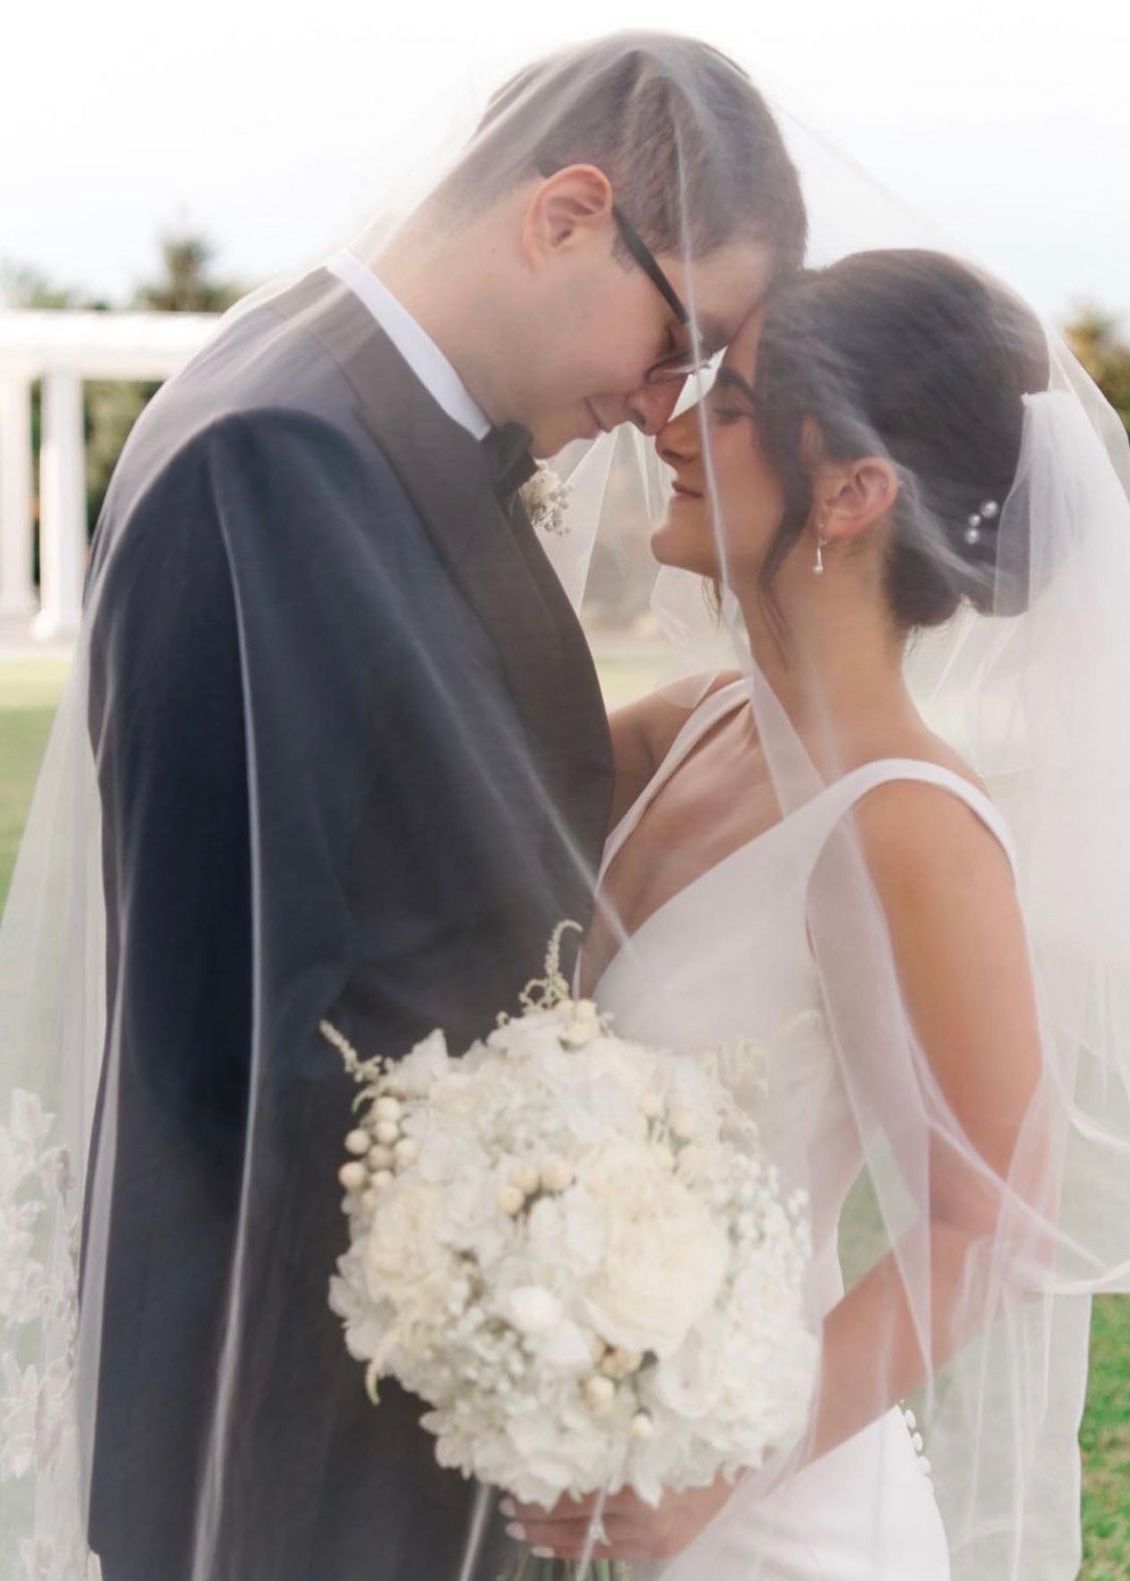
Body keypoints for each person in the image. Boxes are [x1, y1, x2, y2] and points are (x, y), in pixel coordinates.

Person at [0, 33, 805, 1581]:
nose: (660, 408)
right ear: (567, 213)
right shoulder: (278, 452)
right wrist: (531, 1220)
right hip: (291, 1391)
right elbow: (231, 1026)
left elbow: (434, 808)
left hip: (386, 1369)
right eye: (674, 338)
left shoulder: (379, 421)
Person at [501, 250, 1130, 1577]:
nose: (667, 425)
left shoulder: (906, 825)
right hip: (577, 1462)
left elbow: (992, 1220)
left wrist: (714, 1466)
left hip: (755, 1520)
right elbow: (444, 740)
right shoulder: (695, 728)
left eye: (728, 404)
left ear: (852, 491)